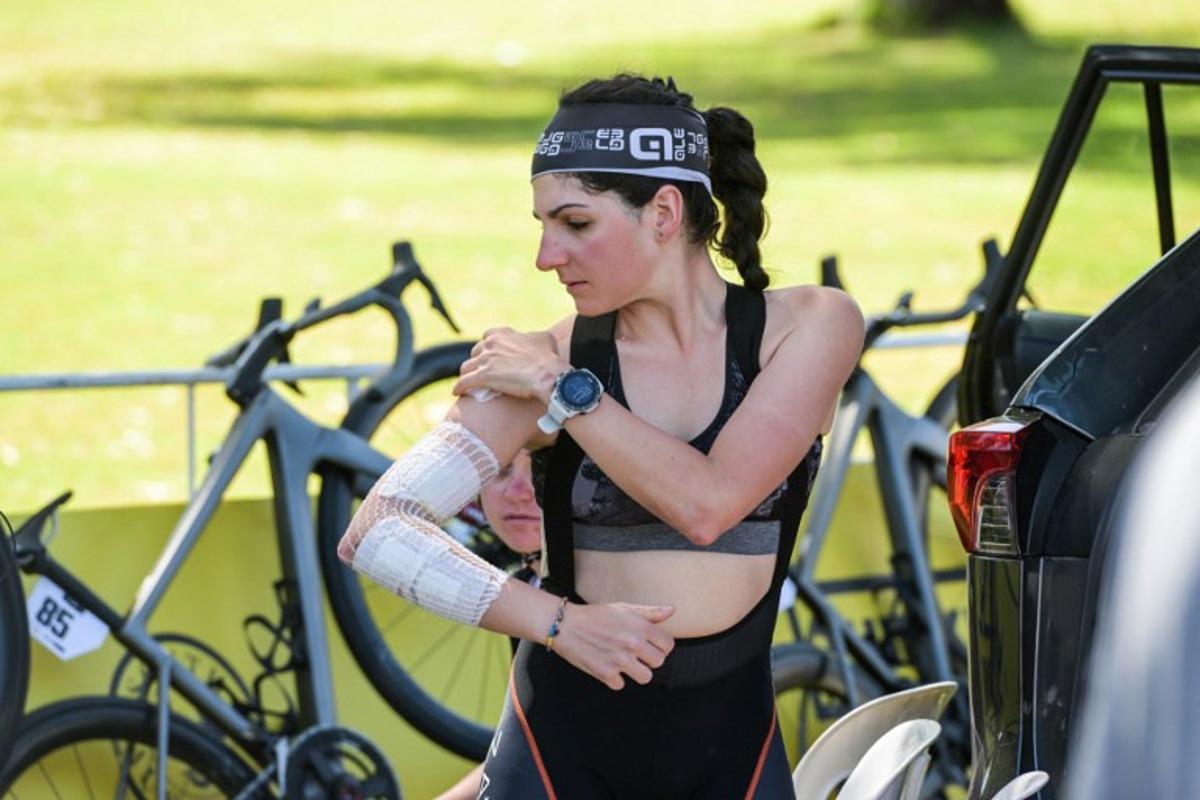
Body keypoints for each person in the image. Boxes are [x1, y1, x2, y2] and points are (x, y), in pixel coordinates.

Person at [339, 73, 863, 798]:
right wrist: (556, 624)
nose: (547, 257)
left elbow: (709, 506)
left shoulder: (808, 325)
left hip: (731, 756)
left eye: (576, 224)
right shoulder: (533, 361)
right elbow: (378, 530)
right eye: (542, 226)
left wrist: (566, 395)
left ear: (664, 212)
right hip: (560, 754)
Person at [437, 449, 542, 800]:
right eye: (499, 469)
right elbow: (529, 752)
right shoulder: (527, 583)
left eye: (541, 468)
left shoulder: (612, 590)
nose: (518, 491)